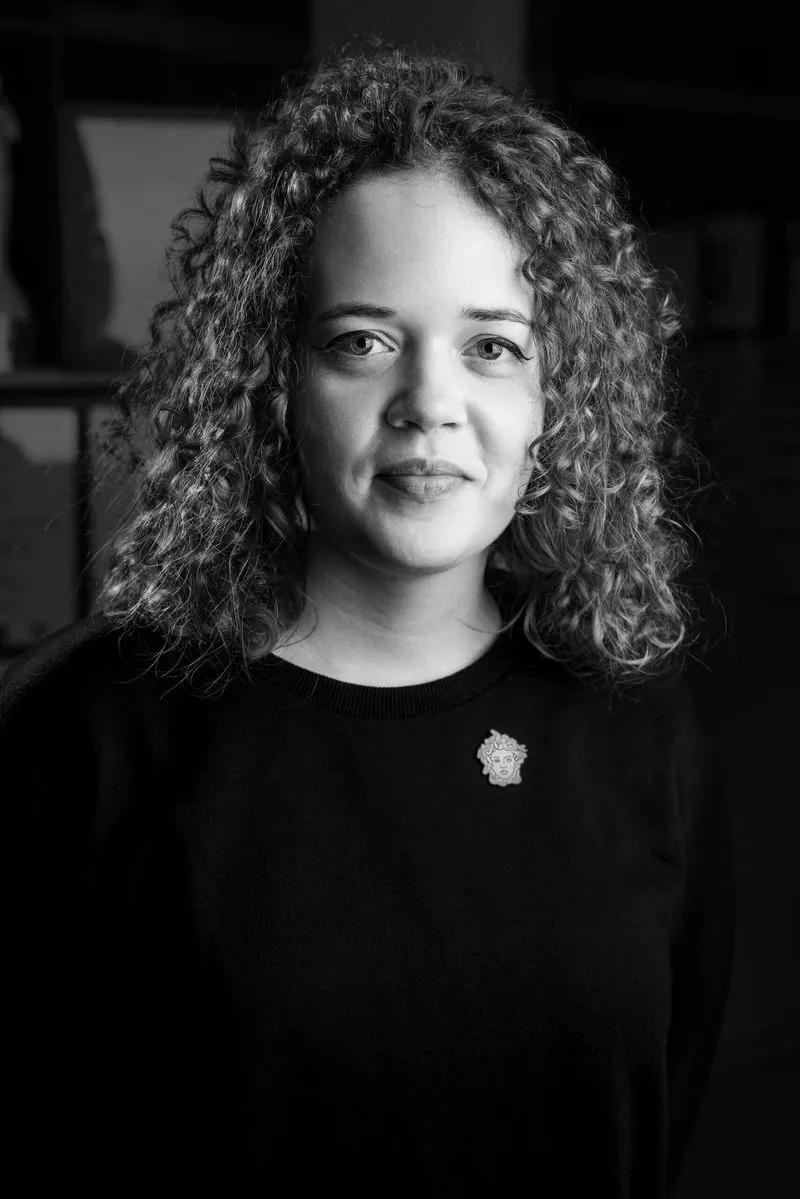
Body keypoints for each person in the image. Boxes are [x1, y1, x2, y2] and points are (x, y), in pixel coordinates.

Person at [2, 35, 735, 1198]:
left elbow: (656, 1115)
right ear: (273, 381)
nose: (428, 403)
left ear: (557, 400)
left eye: (491, 347)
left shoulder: (639, 731)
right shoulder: (81, 734)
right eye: (361, 342)